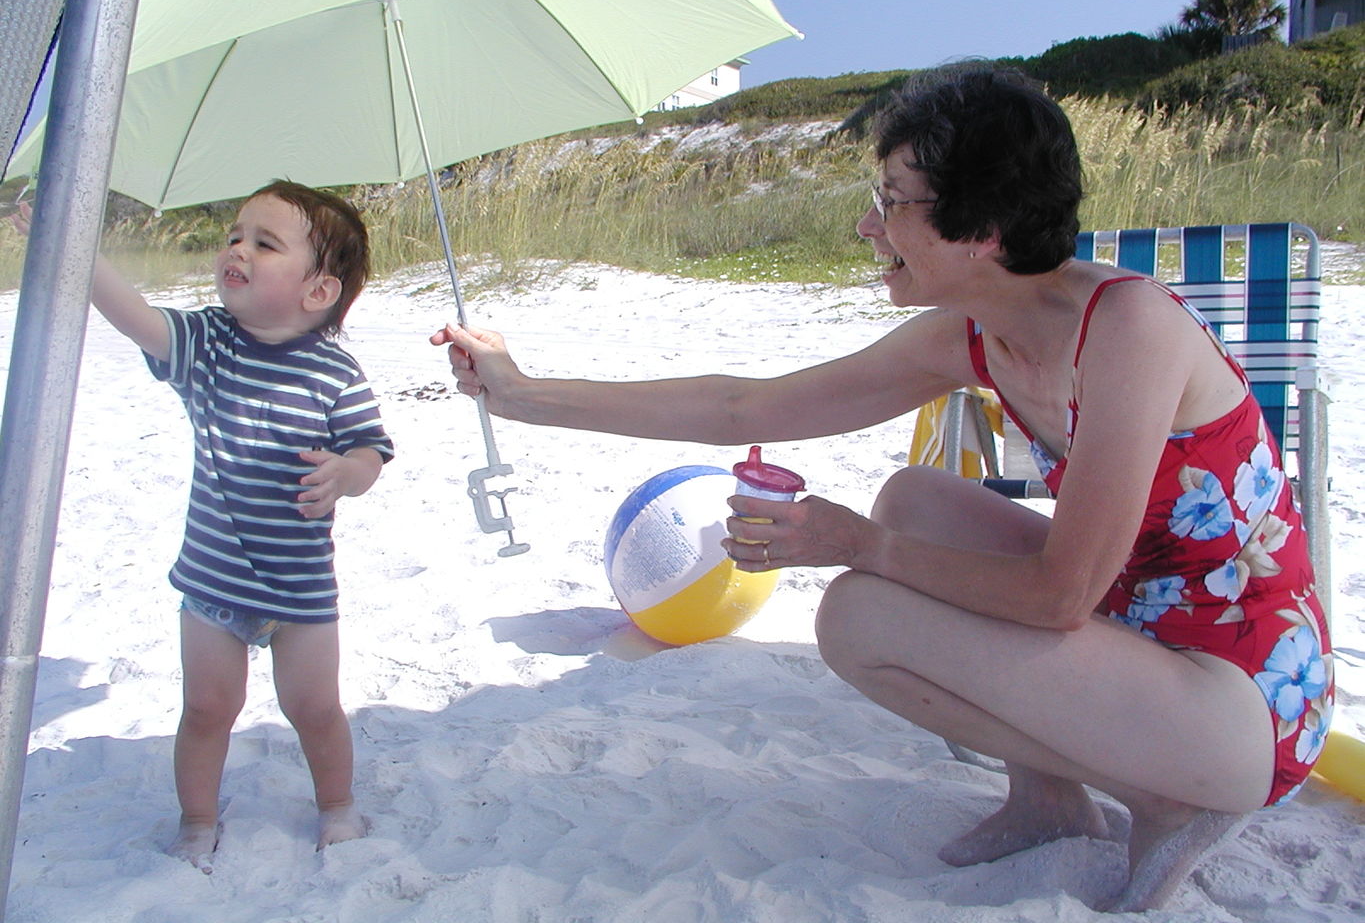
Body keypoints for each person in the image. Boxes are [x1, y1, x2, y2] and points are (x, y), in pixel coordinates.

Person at [430, 64, 1334, 912]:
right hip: (1141, 632)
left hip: (1243, 703)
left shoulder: (1128, 328)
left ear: (982, 232)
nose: (868, 226)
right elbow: (748, 404)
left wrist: (856, 545)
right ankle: (1053, 801)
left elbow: (1059, 597)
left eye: (890, 203)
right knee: (914, 497)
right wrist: (525, 396)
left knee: (860, 613)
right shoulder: (974, 333)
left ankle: (1165, 800)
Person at [88, 180, 394, 867]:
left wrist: (347, 473)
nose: (238, 249)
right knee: (205, 710)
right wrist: (76, 245)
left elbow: (372, 451)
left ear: (318, 291)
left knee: (315, 709)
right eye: (234, 235)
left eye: (264, 242)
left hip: (300, 589)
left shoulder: (335, 374)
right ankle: (197, 820)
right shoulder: (206, 343)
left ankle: (337, 806)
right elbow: (134, 316)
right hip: (213, 582)